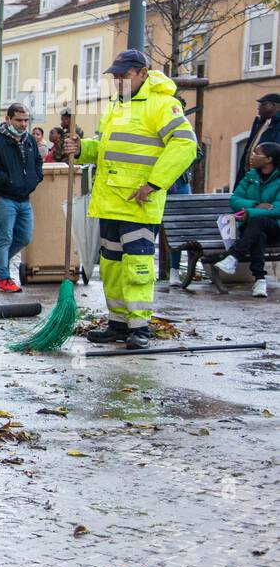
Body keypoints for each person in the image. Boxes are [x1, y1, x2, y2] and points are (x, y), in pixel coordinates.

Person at [63, 50, 198, 349]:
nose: (119, 82)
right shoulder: (117, 106)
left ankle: (140, 327)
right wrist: (81, 147)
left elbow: (186, 146)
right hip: (110, 200)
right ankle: (118, 323)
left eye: (124, 76)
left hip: (138, 203)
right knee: (111, 266)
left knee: (136, 266)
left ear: (142, 73)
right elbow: (105, 147)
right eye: (115, 77)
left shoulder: (163, 104)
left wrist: (153, 184)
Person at [0, 102, 43, 292]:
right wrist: (8, 181)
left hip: (24, 198)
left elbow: (37, 163)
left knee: (24, 237)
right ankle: (3, 277)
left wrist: (35, 179)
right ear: (8, 119)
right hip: (3, 198)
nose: (23, 124)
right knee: (4, 237)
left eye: (26, 120)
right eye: (19, 120)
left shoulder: (30, 140)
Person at [213, 141, 280, 298]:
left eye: (257, 153)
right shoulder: (250, 177)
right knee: (258, 231)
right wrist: (256, 205)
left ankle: (234, 257)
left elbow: (277, 209)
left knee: (258, 223)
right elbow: (235, 200)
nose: (252, 156)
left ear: (268, 159)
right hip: (252, 229)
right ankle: (260, 280)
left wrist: (250, 212)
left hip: (275, 229)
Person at [235, 93, 280, 185]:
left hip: (269, 178)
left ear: (275, 105)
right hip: (252, 176)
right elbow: (248, 150)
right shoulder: (260, 123)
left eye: (263, 104)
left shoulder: (277, 124)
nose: (259, 108)